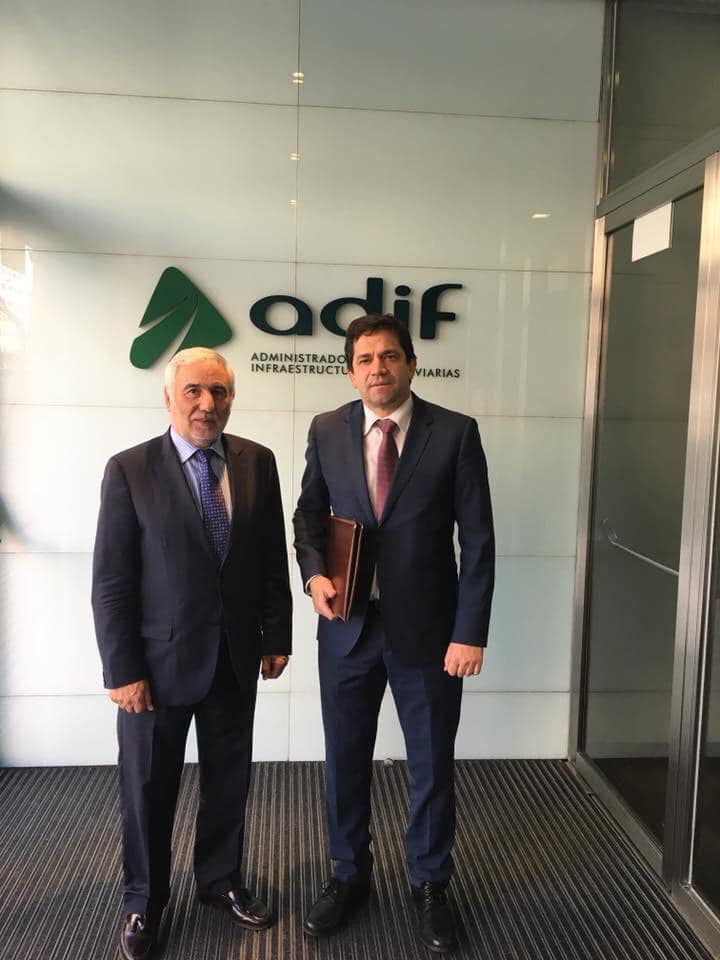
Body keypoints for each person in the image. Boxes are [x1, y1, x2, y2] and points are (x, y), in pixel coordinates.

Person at [293, 314, 494, 954]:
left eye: (388, 356)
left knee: (431, 762)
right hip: (346, 629)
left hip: (430, 635)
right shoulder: (327, 429)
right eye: (365, 359)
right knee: (344, 759)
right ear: (350, 372)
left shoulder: (455, 433)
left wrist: (469, 632)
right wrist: (313, 575)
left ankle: (430, 883)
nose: (377, 368)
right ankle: (348, 875)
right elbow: (307, 517)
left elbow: (478, 542)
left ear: (410, 363)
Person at [92, 347, 292, 960]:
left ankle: (220, 881)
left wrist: (277, 634)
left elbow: (270, 555)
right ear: (169, 398)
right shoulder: (129, 469)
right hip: (155, 667)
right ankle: (143, 900)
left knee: (229, 779)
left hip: (234, 655)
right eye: (194, 392)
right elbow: (112, 580)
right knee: (148, 788)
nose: (208, 404)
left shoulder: (258, 461)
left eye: (219, 392)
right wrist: (122, 669)